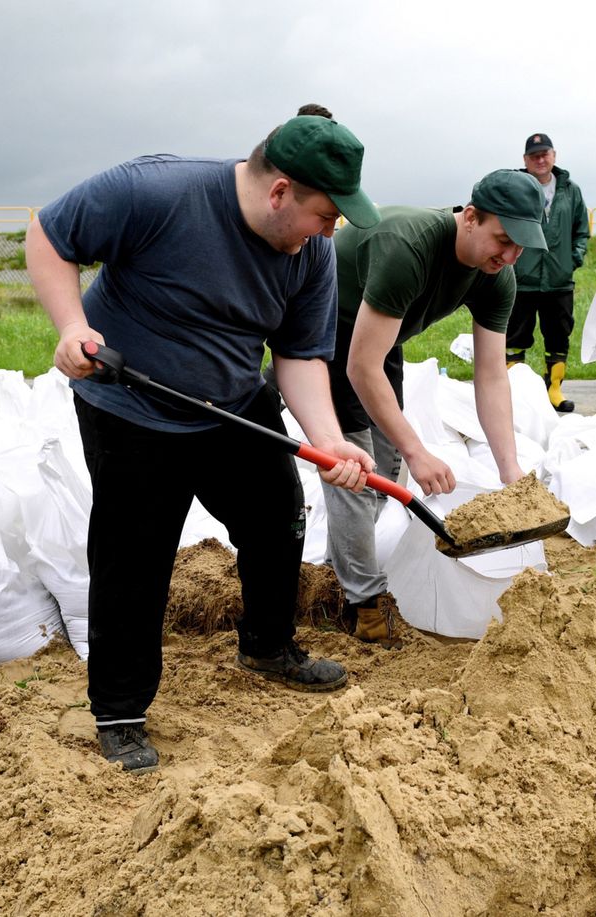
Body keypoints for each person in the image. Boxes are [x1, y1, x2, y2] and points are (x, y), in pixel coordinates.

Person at [25, 116, 382, 774]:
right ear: (280, 193)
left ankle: (268, 646)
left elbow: (300, 355)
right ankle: (120, 709)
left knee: (279, 514)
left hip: (231, 401)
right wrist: (73, 326)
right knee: (135, 555)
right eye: (326, 214)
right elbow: (50, 234)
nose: (332, 231)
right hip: (130, 401)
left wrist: (329, 441)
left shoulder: (312, 253)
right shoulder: (158, 193)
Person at [315, 169, 548, 646]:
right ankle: (364, 602)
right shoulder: (411, 247)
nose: (509, 256)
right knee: (353, 465)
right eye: (502, 240)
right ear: (470, 218)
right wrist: (420, 449)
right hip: (328, 327)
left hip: (383, 333)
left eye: (521, 247)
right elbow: (361, 366)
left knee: (389, 461)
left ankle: (357, 550)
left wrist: (510, 471)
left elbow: (490, 374)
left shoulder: (497, 276)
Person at [505, 132, 590, 413]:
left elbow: (581, 231)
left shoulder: (571, 190)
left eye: (545, 154)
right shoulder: (516, 187)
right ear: (525, 160)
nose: (540, 160)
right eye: (534, 156)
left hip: (558, 281)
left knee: (558, 336)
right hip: (523, 280)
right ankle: (515, 393)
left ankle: (553, 388)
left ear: (554, 155)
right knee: (515, 338)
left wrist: (572, 259)